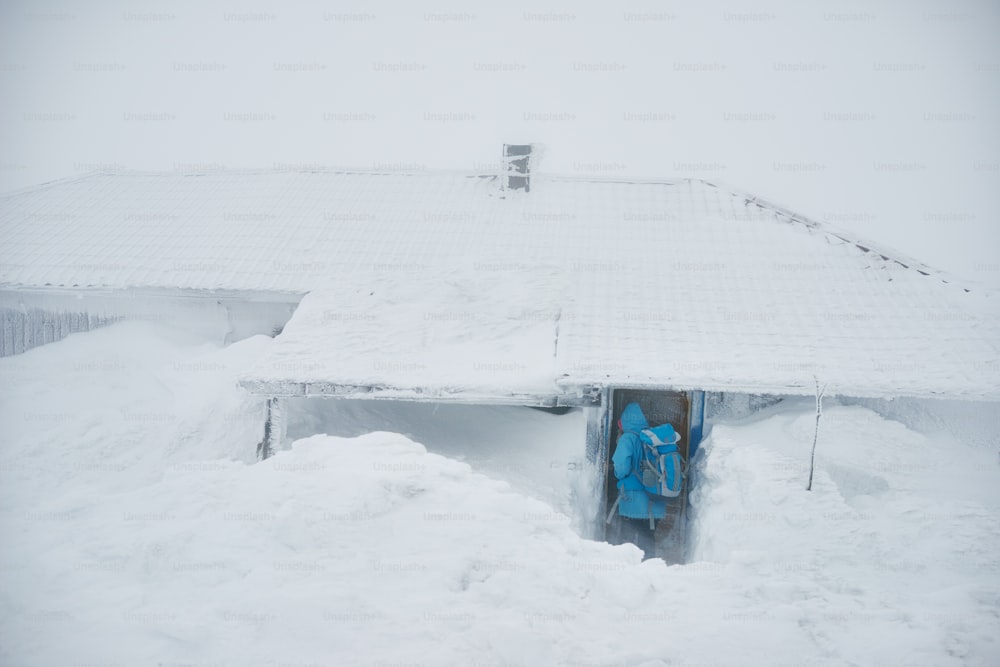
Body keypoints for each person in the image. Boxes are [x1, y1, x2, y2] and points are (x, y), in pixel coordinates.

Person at [611, 402, 670, 559]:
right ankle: (650, 570)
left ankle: (625, 572)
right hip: (655, 500)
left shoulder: (628, 438)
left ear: (623, 422)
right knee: (648, 540)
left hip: (632, 501)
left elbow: (621, 466)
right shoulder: (653, 438)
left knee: (627, 542)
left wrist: (618, 475)